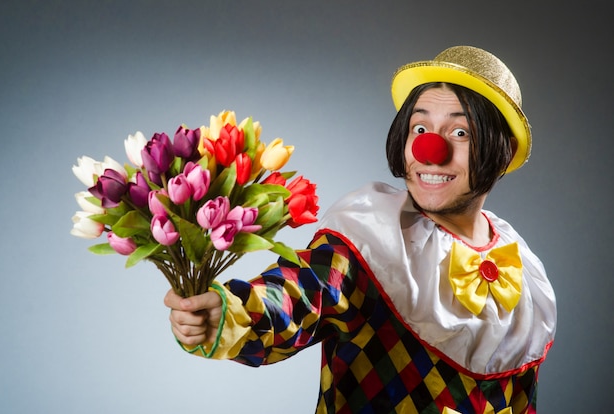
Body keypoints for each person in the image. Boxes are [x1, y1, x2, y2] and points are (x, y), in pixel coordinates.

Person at [164, 45, 557, 414]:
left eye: (460, 133)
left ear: (501, 151)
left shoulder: (520, 263)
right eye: (420, 130)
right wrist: (233, 312)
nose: (429, 151)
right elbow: (305, 290)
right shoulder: (371, 234)